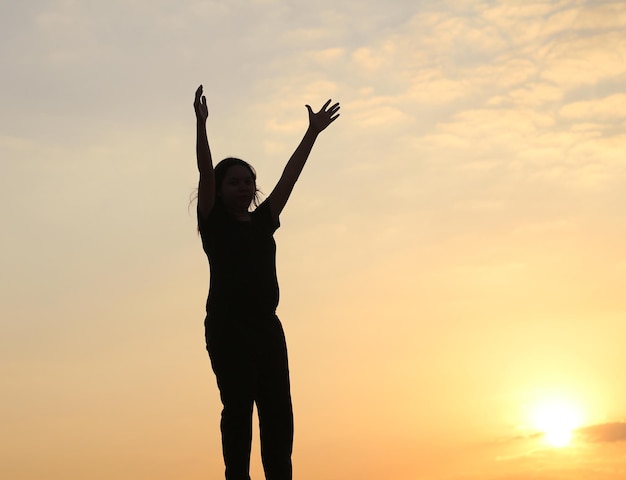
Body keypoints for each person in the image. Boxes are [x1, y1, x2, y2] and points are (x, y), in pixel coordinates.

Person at [193, 84, 340, 480]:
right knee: (238, 409)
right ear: (220, 192)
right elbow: (205, 172)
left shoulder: (262, 223)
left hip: (267, 329)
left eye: (248, 181)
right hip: (228, 327)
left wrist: (311, 133)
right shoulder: (215, 224)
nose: (243, 186)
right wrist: (201, 125)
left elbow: (289, 179)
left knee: (278, 414)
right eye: (234, 181)